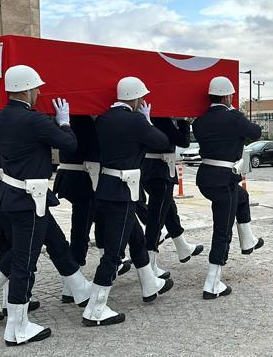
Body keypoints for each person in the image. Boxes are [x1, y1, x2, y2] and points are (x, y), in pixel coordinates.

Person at [0, 65, 91, 346]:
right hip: (28, 199)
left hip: (12, 195)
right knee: (24, 262)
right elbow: (69, 144)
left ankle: (79, 288)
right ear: (25, 89)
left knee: (56, 242)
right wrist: (64, 121)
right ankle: (18, 326)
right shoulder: (33, 119)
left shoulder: (0, 118)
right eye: (36, 88)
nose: (39, 92)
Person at [83, 76, 173, 327]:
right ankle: (95, 309)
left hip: (107, 188)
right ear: (134, 98)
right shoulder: (135, 120)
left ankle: (149, 284)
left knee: (136, 238)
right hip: (122, 193)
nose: (143, 101)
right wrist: (146, 121)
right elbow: (162, 142)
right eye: (141, 97)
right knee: (113, 253)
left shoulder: (102, 119)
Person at [193, 76, 263, 300]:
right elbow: (256, 132)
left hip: (206, 178)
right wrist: (238, 117)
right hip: (224, 180)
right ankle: (212, 283)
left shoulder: (199, 121)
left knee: (242, 197)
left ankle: (248, 240)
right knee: (222, 230)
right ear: (226, 96)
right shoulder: (234, 118)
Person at [52, 115, 131, 305]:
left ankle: (107, 264)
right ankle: (72, 286)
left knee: (94, 222)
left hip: (74, 176)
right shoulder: (86, 121)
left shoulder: (72, 118)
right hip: (84, 179)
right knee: (81, 230)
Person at [141, 117, 204, 279]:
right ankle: (149, 265)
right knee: (158, 216)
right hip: (160, 171)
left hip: (148, 168)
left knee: (168, 209)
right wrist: (183, 120)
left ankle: (182, 246)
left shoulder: (148, 117)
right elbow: (183, 141)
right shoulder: (161, 119)